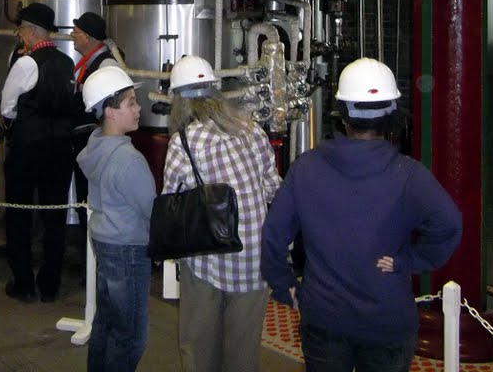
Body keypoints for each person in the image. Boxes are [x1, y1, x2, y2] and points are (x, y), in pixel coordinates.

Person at [261, 57, 463, 372]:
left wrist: (282, 282)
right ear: (392, 115)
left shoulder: (307, 167)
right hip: (386, 322)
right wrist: (409, 260)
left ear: (342, 116)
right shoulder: (408, 175)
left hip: (324, 318)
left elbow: (273, 232)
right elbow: (449, 224)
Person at [161, 55, 281, 372]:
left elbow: (170, 200)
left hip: (206, 256)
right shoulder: (253, 130)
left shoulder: (184, 141)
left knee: (199, 347)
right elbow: (272, 189)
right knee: (243, 352)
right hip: (255, 256)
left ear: (179, 100)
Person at [77, 67, 156, 372]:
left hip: (105, 242)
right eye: (130, 103)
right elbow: (151, 210)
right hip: (129, 250)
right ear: (110, 111)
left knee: (106, 325)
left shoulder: (97, 146)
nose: (138, 109)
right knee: (130, 336)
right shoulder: (129, 160)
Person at [0, 2, 76, 303]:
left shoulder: (26, 63)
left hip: (27, 148)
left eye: (21, 29)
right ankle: (49, 284)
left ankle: (23, 282)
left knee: (18, 213)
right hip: (60, 149)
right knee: (54, 215)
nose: (20, 35)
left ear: (30, 32)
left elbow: (7, 106)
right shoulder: (66, 62)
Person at [70, 11, 120, 228]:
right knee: (84, 194)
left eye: (77, 32)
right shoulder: (89, 63)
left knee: (91, 195)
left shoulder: (107, 64)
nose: (72, 35)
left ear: (88, 37)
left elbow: (113, 108)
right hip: (85, 141)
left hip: (96, 142)